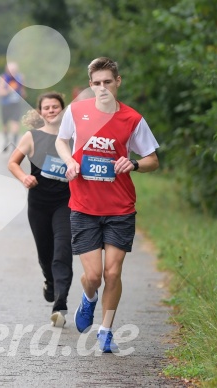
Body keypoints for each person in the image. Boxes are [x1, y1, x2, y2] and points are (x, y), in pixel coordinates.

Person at [55, 57, 159, 353]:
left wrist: (135, 163)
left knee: (113, 273)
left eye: (108, 82)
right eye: (97, 83)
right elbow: (62, 141)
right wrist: (69, 161)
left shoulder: (132, 119)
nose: (102, 88)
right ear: (90, 85)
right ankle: (88, 299)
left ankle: (106, 329)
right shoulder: (76, 111)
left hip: (120, 208)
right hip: (84, 206)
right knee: (94, 276)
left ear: (118, 82)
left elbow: (153, 160)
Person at [8, 92, 73, 327]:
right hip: (38, 204)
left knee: (63, 251)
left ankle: (60, 304)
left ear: (63, 110)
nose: (51, 110)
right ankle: (50, 282)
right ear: (40, 112)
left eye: (56, 107)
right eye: (47, 107)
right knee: (45, 254)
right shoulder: (32, 136)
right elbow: (12, 163)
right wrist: (25, 178)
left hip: (65, 202)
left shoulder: (73, 138)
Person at [0, 62, 26, 152]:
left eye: (14, 70)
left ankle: (14, 145)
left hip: (16, 104)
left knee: (15, 123)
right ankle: (6, 140)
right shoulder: (3, 78)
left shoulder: (20, 77)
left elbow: (23, 92)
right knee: (5, 125)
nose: (12, 72)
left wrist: (21, 93)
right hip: (5, 104)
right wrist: (9, 90)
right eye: (11, 70)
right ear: (7, 70)